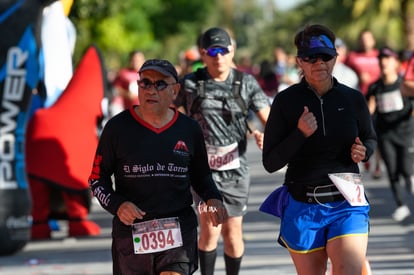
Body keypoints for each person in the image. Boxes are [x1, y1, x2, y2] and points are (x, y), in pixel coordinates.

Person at [88, 59, 228, 275]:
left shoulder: (189, 129)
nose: (151, 90)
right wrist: (118, 205)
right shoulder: (117, 128)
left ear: (175, 90)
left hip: (178, 228)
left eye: (160, 84)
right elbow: (97, 179)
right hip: (132, 232)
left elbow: (202, 176)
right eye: (145, 83)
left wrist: (213, 198)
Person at [262, 24, 377, 275]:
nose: (319, 63)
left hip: (348, 203)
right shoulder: (286, 101)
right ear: (299, 62)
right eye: (310, 58)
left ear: (335, 57)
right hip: (303, 204)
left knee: (348, 270)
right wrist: (299, 133)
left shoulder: (353, 99)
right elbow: (270, 162)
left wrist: (364, 151)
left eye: (325, 56)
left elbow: (370, 139)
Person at [175, 27, 270, 275]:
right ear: (203, 54)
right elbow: (170, 118)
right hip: (203, 172)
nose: (219, 57)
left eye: (224, 51)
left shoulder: (246, 82)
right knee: (210, 229)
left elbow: (269, 120)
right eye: (212, 52)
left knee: (232, 232)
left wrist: (264, 136)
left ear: (232, 51)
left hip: (236, 171)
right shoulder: (190, 84)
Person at [366, 46, 413, 222]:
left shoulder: (405, 85)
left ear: (396, 63)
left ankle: (410, 188)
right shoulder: (375, 87)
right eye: (381, 59)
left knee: (407, 170)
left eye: (387, 58)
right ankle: (401, 205)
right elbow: (368, 110)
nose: (383, 62)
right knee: (392, 171)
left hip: (406, 132)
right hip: (385, 134)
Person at [346, 29, 382, 179]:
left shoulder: (380, 56)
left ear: (373, 40)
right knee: (363, 130)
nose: (366, 41)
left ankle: (377, 164)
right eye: (363, 38)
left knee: (378, 131)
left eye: (369, 38)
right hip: (360, 98)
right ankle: (365, 155)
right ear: (359, 41)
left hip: (378, 97)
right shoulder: (352, 57)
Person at [111, 50, 145, 116]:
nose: (136, 62)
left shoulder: (147, 74)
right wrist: (127, 94)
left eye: (139, 60)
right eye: (134, 60)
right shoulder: (123, 73)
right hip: (126, 110)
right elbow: (115, 89)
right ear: (130, 60)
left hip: (143, 111)